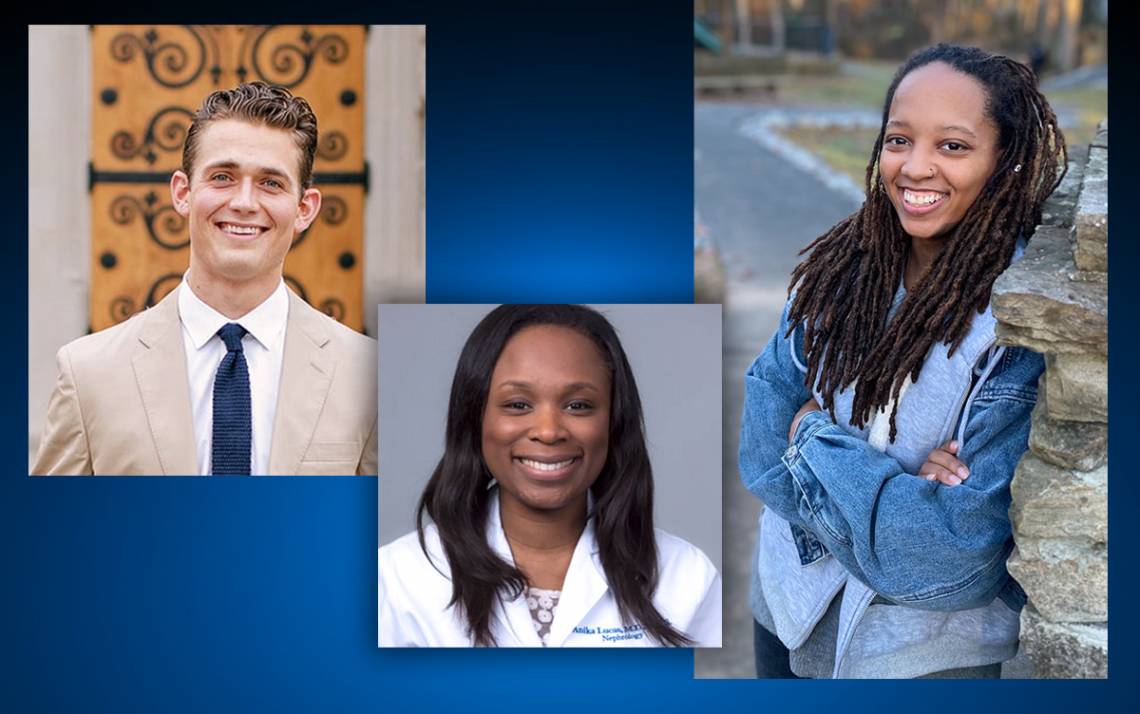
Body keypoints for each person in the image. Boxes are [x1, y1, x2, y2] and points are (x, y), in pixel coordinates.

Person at [740, 44, 1065, 678]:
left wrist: (808, 437)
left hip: (920, 656)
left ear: (1004, 161)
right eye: (899, 139)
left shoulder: (1015, 324)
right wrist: (902, 489)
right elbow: (756, 453)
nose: (915, 168)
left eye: (953, 146)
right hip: (787, 611)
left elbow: (948, 562)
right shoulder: (839, 272)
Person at [32, 82, 377, 476]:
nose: (244, 202)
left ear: (304, 208)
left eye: (271, 183)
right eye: (222, 177)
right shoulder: (87, 374)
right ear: (183, 192)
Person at [378, 305, 721, 647]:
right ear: (474, 417)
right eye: (517, 404)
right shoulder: (397, 579)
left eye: (578, 405)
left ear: (614, 422)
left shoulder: (686, 577)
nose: (548, 431)